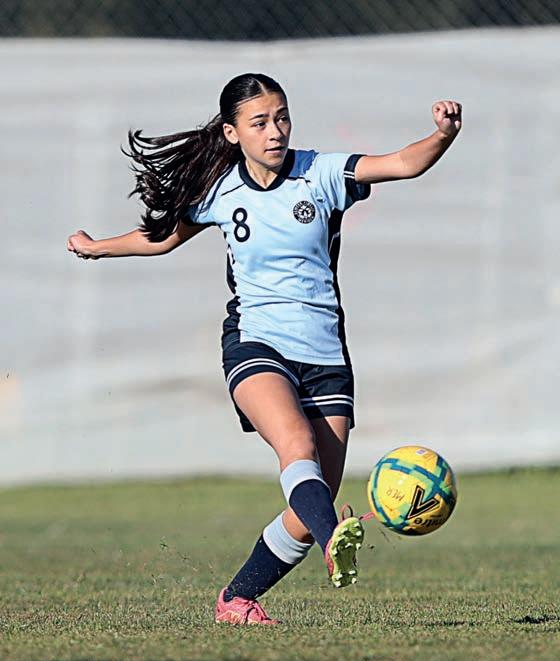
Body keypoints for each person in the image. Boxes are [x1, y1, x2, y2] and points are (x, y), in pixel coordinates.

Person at [67, 73, 462, 625]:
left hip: (325, 356)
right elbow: (161, 238)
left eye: (282, 117)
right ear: (232, 133)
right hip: (255, 342)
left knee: (311, 498)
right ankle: (333, 539)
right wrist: (98, 248)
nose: (275, 131)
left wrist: (442, 135)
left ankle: (237, 599)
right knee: (296, 448)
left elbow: (402, 163)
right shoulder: (219, 191)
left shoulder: (321, 173)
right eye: (259, 123)